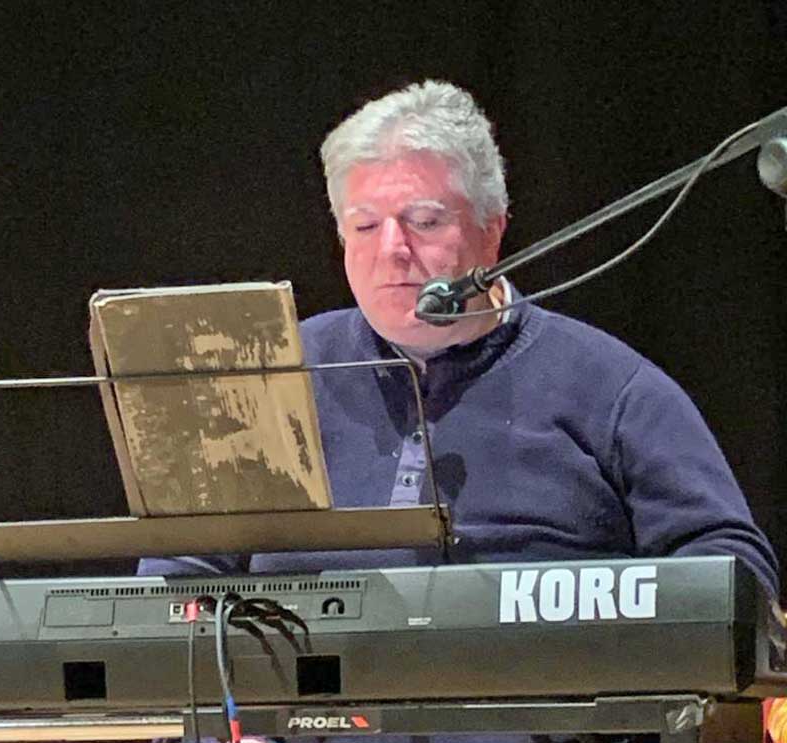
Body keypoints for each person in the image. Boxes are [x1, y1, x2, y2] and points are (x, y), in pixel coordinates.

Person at [138, 80, 779, 741]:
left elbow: (731, 575)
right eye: (365, 225)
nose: (392, 248)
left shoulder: (612, 387)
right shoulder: (269, 378)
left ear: (492, 230)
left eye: (424, 221)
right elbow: (176, 587)